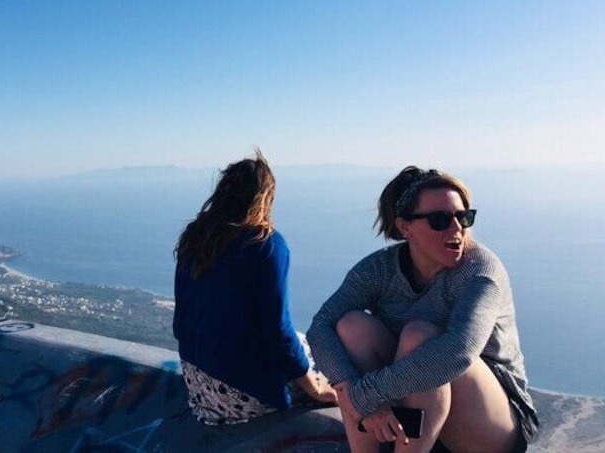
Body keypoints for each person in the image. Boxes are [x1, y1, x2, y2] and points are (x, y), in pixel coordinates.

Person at [307, 166, 538, 452]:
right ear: (405, 227)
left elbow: (458, 352)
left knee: (420, 336)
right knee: (351, 326)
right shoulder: (379, 269)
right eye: (440, 220)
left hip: (489, 425)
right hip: (414, 413)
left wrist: (367, 393)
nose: (457, 229)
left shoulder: (479, 271)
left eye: (463, 217)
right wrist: (348, 383)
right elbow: (322, 325)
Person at [173, 150, 336, 425]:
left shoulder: (196, 237)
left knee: (300, 343)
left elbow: (181, 319)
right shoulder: (265, 245)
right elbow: (278, 332)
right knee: (323, 354)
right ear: (265, 198)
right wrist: (316, 388)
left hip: (198, 386)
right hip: (242, 396)